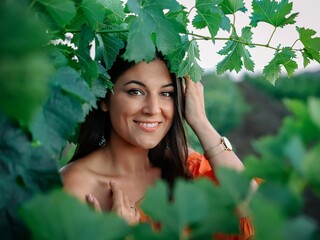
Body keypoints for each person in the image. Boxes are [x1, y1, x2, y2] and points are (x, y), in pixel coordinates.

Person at [60, 50, 257, 238]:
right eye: (135, 91)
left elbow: (255, 214)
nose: (153, 109)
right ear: (104, 97)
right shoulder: (71, 187)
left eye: (166, 94)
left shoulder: (186, 167)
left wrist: (200, 121)